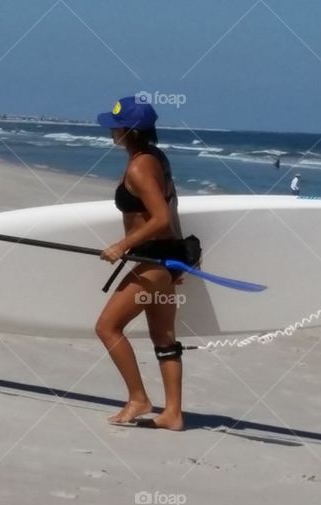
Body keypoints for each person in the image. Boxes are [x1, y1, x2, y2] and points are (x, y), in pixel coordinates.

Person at [95, 97, 200, 431]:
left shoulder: (139, 167)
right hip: (166, 260)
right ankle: (173, 413)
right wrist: (182, 260)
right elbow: (172, 207)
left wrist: (121, 245)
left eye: (116, 126)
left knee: (107, 327)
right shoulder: (157, 158)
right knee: (163, 337)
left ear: (129, 131)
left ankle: (138, 398)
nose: (111, 131)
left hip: (153, 260)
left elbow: (161, 218)